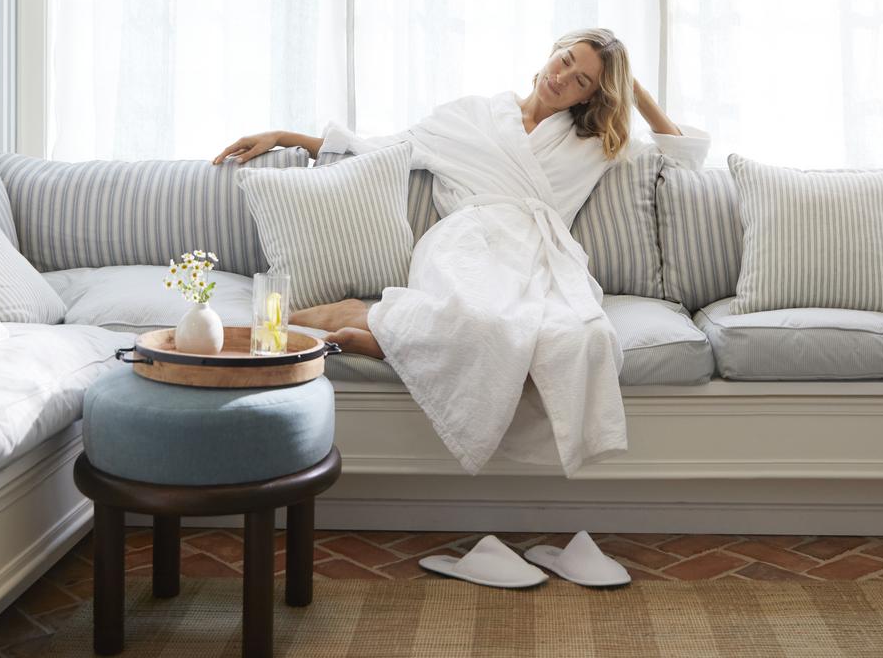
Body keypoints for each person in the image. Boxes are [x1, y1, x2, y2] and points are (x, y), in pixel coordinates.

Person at [213, 28, 709, 476]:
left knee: (582, 335)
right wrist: (281, 136)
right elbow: (376, 147)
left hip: (536, 254)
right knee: (488, 321)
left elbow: (684, 156)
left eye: (582, 80)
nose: (563, 78)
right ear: (551, 52)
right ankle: (370, 320)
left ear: (592, 96)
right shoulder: (470, 115)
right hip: (464, 241)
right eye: (565, 61)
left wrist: (634, 88)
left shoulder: (595, 141)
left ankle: (380, 323)